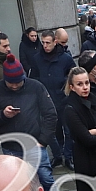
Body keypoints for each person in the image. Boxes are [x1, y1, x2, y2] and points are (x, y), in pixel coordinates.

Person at [0, 54, 57, 191]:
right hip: (11, 148)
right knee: (20, 185)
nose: (15, 86)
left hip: (35, 144)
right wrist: (3, 115)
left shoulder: (35, 87)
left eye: (18, 82)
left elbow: (50, 114)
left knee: (45, 180)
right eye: (11, 83)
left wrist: (43, 141)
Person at [30, 30, 77, 168]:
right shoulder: (37, 58)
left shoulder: (65, 58)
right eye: (43, 42)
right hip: (46, 101)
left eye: (48, 42)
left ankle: (68, 157)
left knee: (68, 130)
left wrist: (63, 87)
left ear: (55, 41)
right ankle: (57, 155)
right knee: (51, 132)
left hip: (63, 99)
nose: (45, 45)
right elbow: (34, 78)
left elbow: (72, 76)